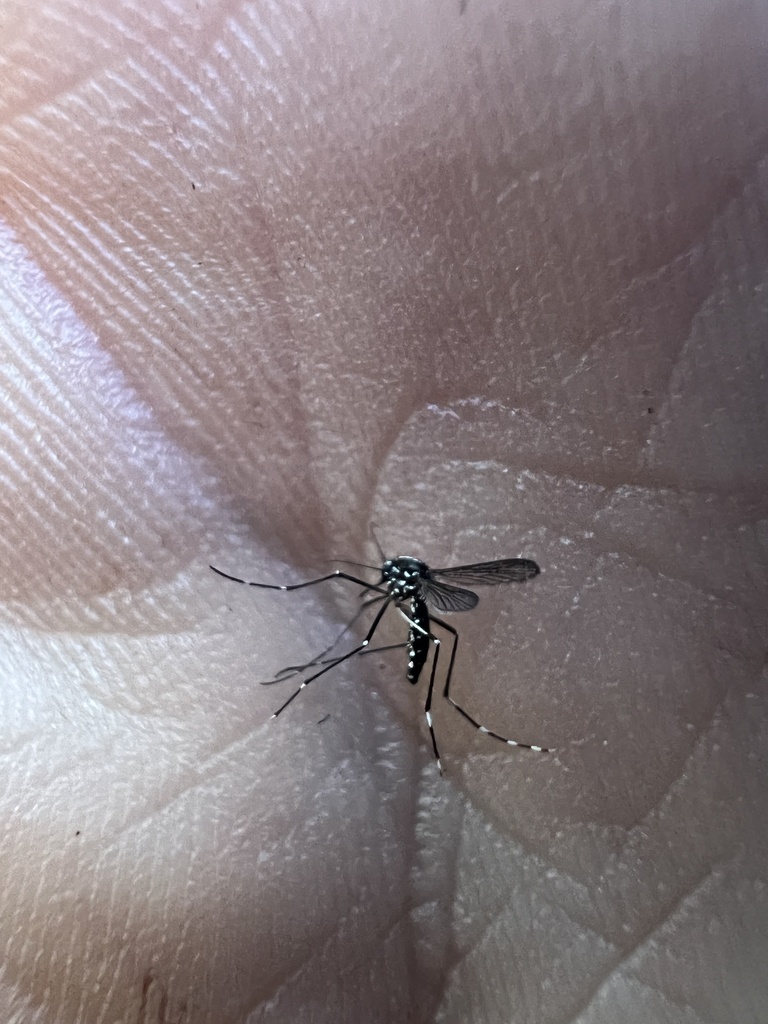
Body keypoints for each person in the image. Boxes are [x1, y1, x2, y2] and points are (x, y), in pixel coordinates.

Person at [1, 1, 766, 1020]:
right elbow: (365, 594)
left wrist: (374, 626)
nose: (391, 577)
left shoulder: (403, 595)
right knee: (389, 632)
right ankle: (422, 708)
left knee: (413, 642)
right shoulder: (392, 588)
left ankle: (448, 719)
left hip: (433, 658)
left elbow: (410, 596)